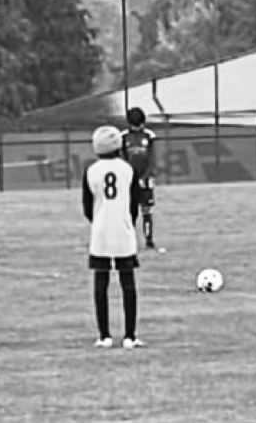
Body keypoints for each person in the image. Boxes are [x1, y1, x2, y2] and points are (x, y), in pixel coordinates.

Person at [84, 126, 144, 349]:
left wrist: (99, 220)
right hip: (123, 231)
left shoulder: (91, 171)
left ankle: (104, 335)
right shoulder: (128, 169)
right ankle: (130, 335)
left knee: (101, 282)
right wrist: (128, 221)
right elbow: (134, 203)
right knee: (127, 282)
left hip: (100, 232)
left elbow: (87, 207)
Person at [121, 108, 161, 252]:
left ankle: (149, 241)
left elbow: (152, 160)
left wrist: (145, 177)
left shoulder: (149, 136)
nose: (137, 128)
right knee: (129, 212)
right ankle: (128, 242)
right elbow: (122, 159)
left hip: (146, 181)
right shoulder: (124, 137)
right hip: (128, 181)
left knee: (146, 210)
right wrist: (129, 178)